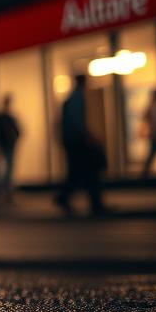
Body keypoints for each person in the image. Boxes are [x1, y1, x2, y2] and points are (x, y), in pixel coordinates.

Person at [56, 74, 105, 216]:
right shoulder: (76, 99)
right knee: (89, 172)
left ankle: (65, 197)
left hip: (74, 141)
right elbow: (77, 122)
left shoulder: (72, 98)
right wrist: (87, 136)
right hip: (77, 142)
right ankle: (95, 203)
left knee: (77, 173)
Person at [0, 94, 21, 202]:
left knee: (7, 168)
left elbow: (17, 131)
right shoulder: (2, 117)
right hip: (5, 145)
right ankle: (3, 189)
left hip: (8, 144)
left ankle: (5, 189)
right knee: (6, 168)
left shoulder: (8, 117)